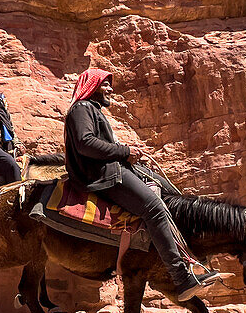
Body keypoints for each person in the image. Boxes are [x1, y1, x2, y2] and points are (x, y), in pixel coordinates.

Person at [64, 68, 219, 301]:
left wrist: (128, 153)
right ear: (93, 87)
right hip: (102, 176)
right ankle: (180, 277)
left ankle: (191, 254)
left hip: (111, 169)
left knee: (167, 191)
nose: (110, 89)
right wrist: (124, 151)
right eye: (105, 84)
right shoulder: (81, 109)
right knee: (154, 209)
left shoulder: (91, 110)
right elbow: (85, 143)